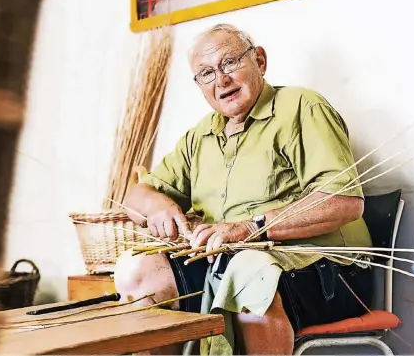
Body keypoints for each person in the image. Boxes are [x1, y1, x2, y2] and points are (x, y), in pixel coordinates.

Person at [114, 23, 373, 355]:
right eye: (206, 73)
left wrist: (252, 227)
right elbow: (134, 197)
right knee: (137, 270)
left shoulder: (300, 107)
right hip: (228, 265)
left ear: (260, 61)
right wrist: (156, 206)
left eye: (230, 63)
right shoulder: (201, 135)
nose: (221, 80)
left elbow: (344, 202)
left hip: (329, 272)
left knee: (249, 273)